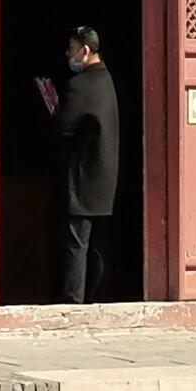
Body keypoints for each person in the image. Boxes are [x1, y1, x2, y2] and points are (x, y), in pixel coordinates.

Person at [51, 25, 121, 303]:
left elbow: (62, 128)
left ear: (85, 50)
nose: (67, 54)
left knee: (76, 244)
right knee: (101, 246)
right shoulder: (108, 80)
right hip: (107, 178)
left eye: (71, 49)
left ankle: (73, 303)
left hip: (83, 179)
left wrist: (54, 113)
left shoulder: (79, 85)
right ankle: (100, 299)